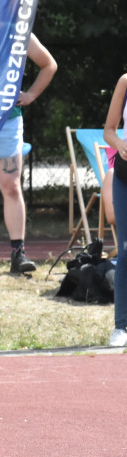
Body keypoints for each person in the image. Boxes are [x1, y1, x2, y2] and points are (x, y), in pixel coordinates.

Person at [0, 34, 57, 274]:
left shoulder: (19, 29)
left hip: (7, 120)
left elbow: (49, 64)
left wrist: (30, 95)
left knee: (11, 186)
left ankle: (19, 252)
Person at [103, 71, 127, 346]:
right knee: (126, 250)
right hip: (124, 178)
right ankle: (121, 326)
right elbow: (109, 130)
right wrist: (120, 144)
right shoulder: (124, 81)